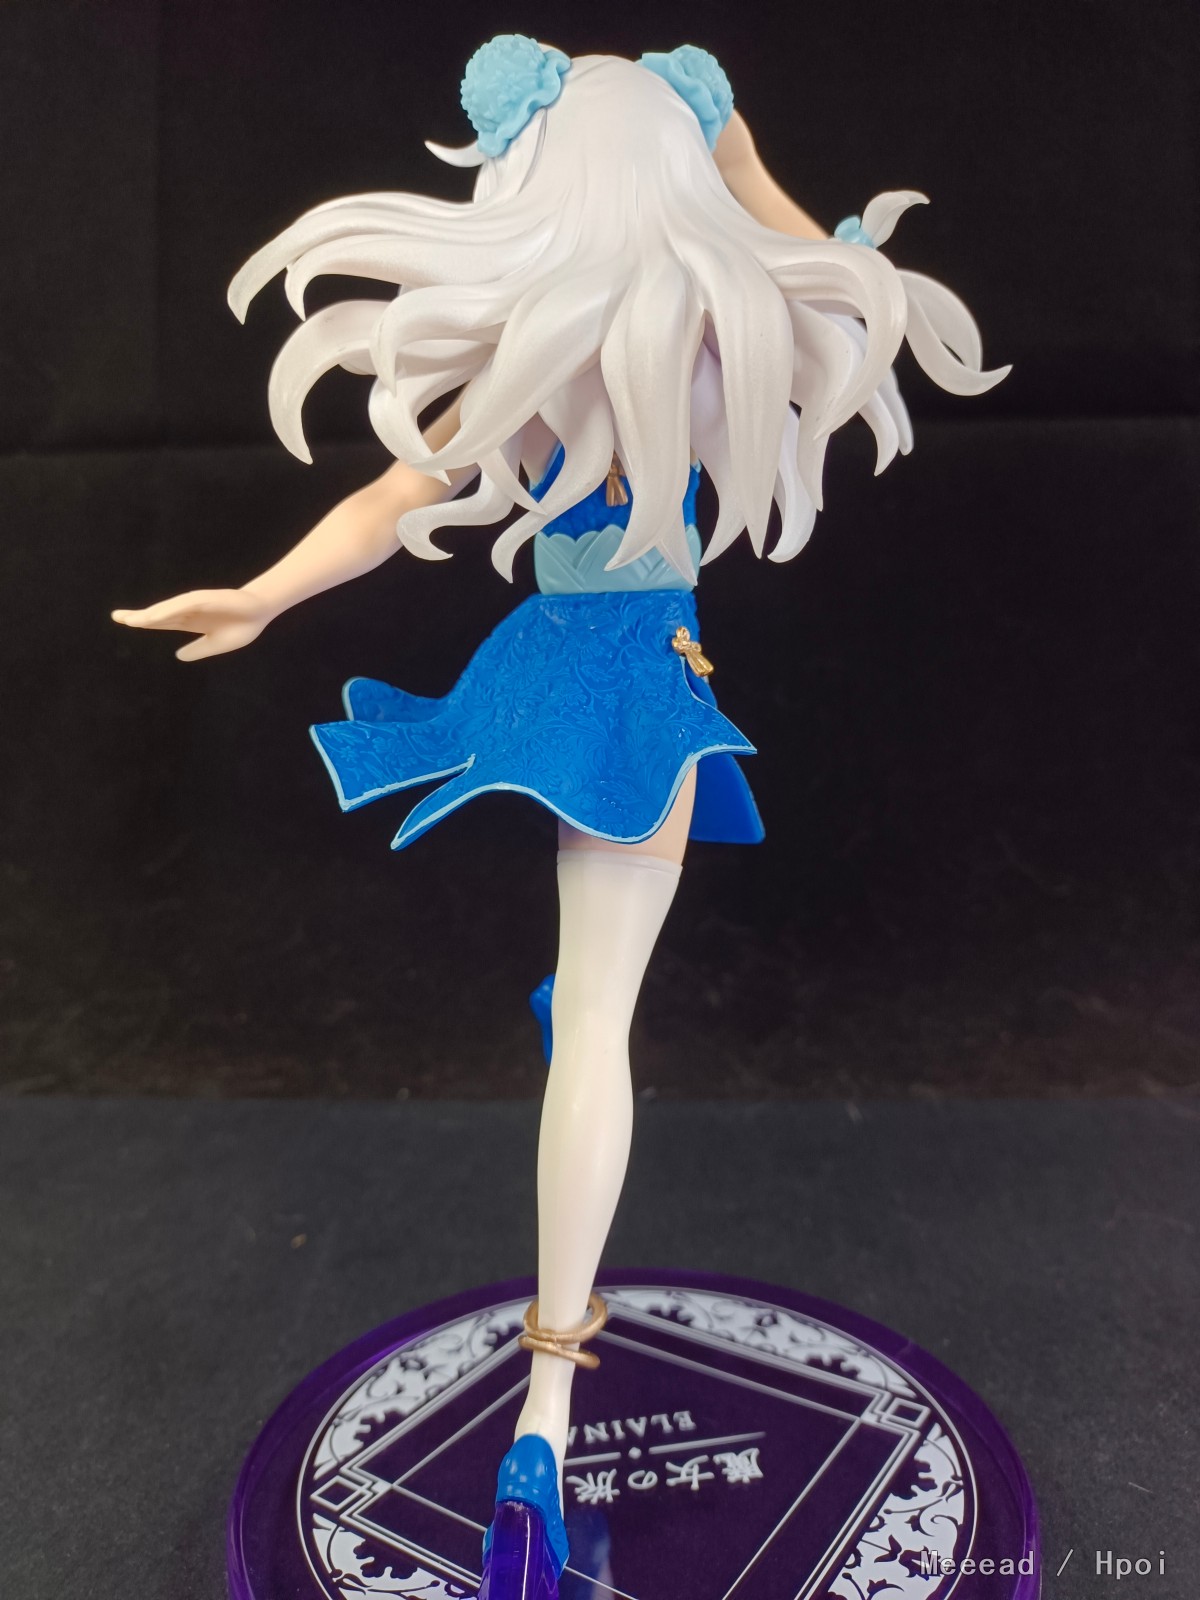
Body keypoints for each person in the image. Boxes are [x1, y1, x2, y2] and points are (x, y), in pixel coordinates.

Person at [113, 38, 1007, 1599]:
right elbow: (846, 290)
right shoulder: (721, 351)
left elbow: (390, 502)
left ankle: (548, 1315)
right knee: (599, 1029)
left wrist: (260, 594)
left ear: (527, 182)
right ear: (673, 181)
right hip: (644, 698)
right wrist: (738, 157)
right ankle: (544, 1411)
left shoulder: (539, 359)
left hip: (543, 679)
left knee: (585, 1013)